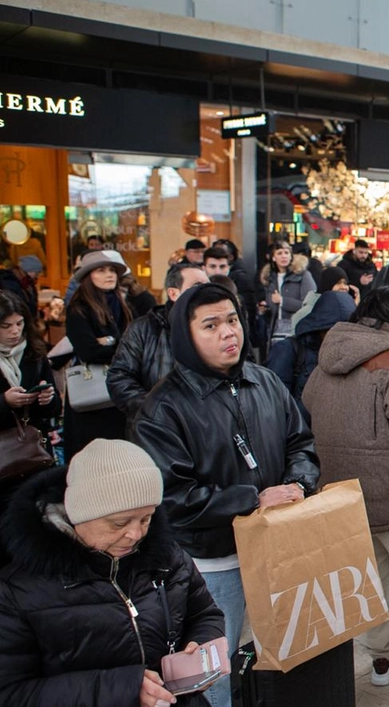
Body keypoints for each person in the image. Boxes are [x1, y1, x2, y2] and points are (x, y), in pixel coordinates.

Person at [132, 283, 320, 707]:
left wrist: (299, 484)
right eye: (211, 325)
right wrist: (252, 499)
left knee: (289, 651)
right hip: (212, 562)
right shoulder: (163, 408)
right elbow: (171, 496)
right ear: (187, 335)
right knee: (213, 668)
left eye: (232, 320)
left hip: (278, 546)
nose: (227, 333)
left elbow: (301, 444)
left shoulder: (266, 381)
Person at [0, 440, 228, 707]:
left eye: (146, 518)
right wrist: (125, 689)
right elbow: (11, 693)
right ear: (77, 514)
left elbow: (204, 613)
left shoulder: (167, 557)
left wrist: (200, 645)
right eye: (119, 523)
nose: (136, 534)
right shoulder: (18, 590)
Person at [302, 288, 389, 686]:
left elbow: (309, 400)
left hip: (344, 492)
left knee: (371, 584)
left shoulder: (330, 355)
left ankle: (381, 659)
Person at [108, 265, 209, 426]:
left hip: (206, 425)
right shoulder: (144, 328)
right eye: (197, 285)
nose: (206, 291)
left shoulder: (218, 328)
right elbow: (119, 377)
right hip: (156, 429)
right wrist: (155, 409)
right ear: (174, 293)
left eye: (208, 284)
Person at [63, 250, 132, 460]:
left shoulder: (120, 305)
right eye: (101, 270)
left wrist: (110, 342)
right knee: (93, 454)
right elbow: (89, 350)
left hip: (118, 390)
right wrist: (120, 346)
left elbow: (135, 341)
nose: (109, 275)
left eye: (112, 270)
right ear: (88, 276)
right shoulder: (79, 309)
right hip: (91, 391)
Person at [0, 291, 59, 516]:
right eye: (6, 326)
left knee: (34, 518)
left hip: (34, 454)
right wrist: (5, 401)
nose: (15, 331)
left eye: (19, 323)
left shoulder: (34, 352)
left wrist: (47, 398)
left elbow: (53, 409)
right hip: (3, 455)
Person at [265, 283, 357, 425]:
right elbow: (274, 403)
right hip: (300, 437)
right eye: (334, 329)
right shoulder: (288, 350)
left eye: (347, 331)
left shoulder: (353, 355)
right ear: (320, 327)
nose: (341, 336)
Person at [257, 240, 316, 345]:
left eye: (286, 253)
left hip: (296, 330)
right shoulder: (269, 278)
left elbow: (310, 304)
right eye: (279, 253)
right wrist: (264, 309)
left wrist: (283, 301)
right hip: (275, 331)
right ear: (273, 257)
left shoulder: (303, 275)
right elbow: (272, 307)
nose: (284, 256)